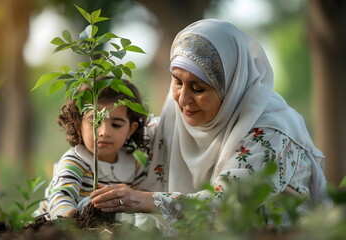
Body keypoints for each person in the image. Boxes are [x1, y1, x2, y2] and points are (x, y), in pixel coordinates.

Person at [89, 19, 328, 232]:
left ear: (231, 87)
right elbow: (119, 138)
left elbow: (225, 205)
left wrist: (143, 201)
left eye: (198, 88)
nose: (183, 99)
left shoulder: (270, 133)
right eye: (177, 81)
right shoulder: (175, 116)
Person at [34, 79, 149, 220]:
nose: (104, 132)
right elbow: (61, 196)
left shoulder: (133, 166)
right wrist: (69, 218)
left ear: (131, 130)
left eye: (116, 125)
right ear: (78, 125)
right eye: (95, 122)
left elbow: (138, 205)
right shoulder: (75, 161)